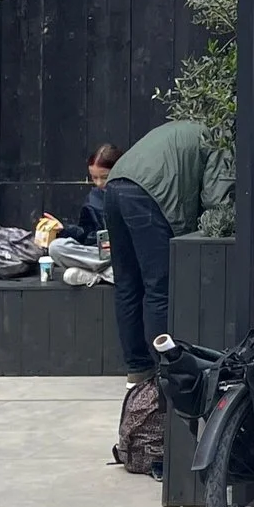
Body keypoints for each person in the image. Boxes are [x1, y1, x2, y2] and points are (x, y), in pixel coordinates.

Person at [104, 120, 216, 379]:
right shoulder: (214, 139)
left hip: (115, 185)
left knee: (127, 284)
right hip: (148, 194)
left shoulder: (175, 129)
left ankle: (138, 368)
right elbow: (216, 199)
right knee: (159, 287)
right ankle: (166, 370)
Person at [62, 143, 120, 244]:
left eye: (105, 177)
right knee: (58, 246)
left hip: (123, 253)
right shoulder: (93, 199)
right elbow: (85, 233)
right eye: (94, 177)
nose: (99, 183)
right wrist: (63, 230)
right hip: (97, 250)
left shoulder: (130, 194)